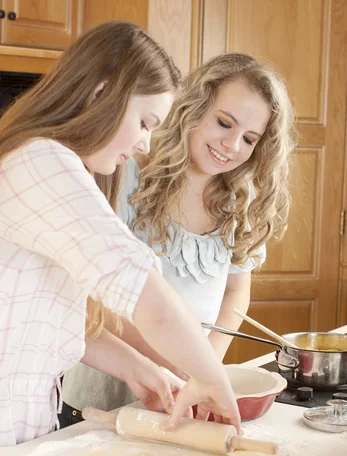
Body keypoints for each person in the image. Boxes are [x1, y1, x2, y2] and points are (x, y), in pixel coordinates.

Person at [0, 21, 241, 446]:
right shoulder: (40, 161)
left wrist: (137, 367)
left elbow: (60, 320)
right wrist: (214, 380)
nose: (146, 144)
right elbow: (149, 297)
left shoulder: (55, 165)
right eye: (145, 121)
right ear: (100, 94)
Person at [61, 52, 295, 418]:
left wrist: (206, 366)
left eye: (249, 139)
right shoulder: (124, 177)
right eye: (224, 123)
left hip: (185, 394)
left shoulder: (240, 203)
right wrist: (188, 367)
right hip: (103, 397)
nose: (232, 146)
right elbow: (95, 302)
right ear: (193, 109)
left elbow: (236, 292)